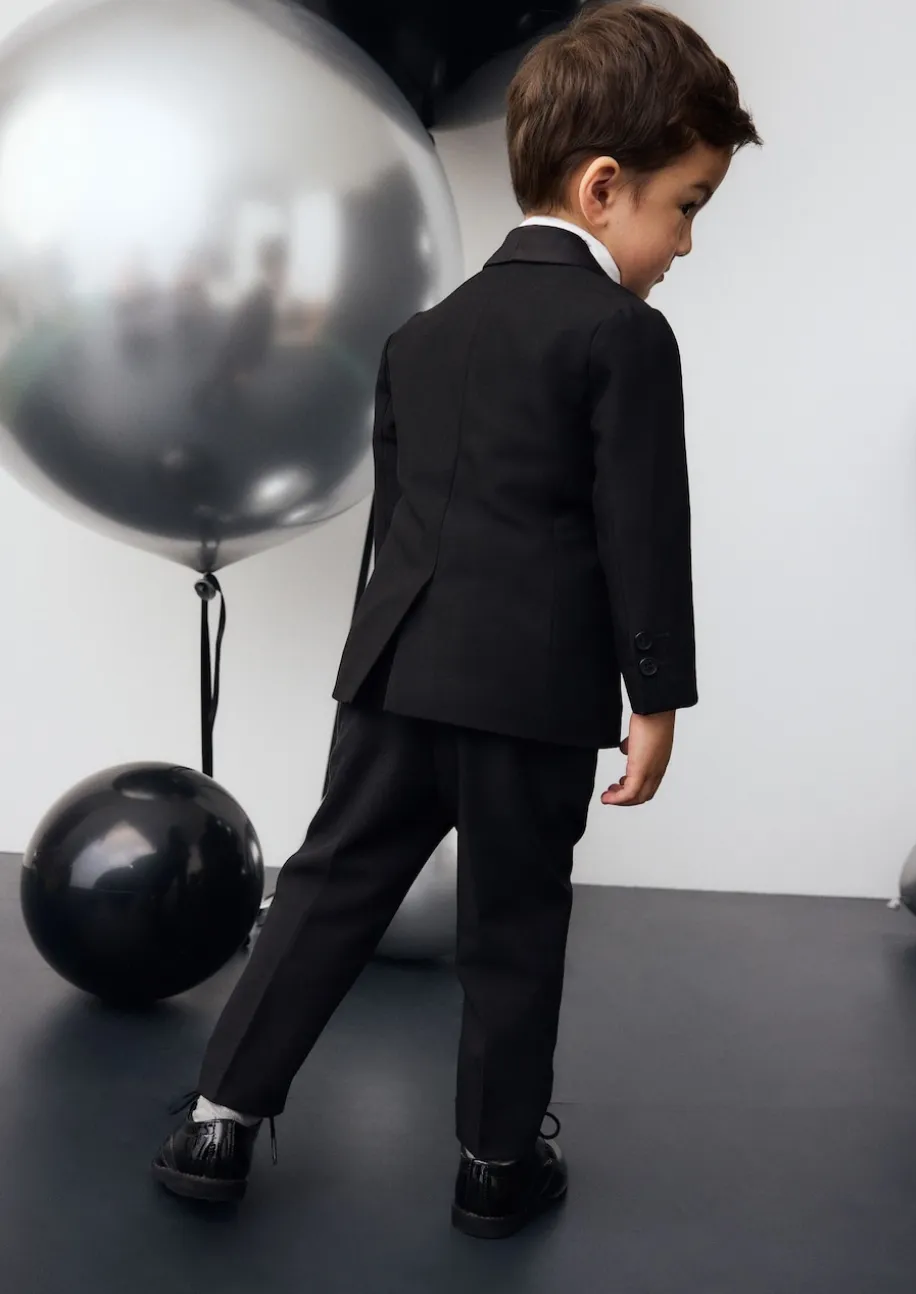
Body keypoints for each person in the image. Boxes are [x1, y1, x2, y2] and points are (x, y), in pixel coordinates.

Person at [151, 1, 760, 1240]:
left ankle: (216, 1120)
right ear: (603, 188)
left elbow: (396, 525)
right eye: (686, 206)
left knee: (326, 890)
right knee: (514, 925)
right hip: (531, 695)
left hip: (396, 670)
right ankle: (494, 1163)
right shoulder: (625, 337)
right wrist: (654, 697)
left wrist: (372, 666)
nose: (687, 243)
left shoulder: (419, 337)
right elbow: (642, 532)